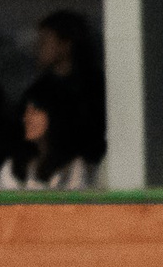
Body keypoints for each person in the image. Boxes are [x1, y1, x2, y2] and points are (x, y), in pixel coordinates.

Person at [26, 10, 106, 162]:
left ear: (65, 45)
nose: (37, 48)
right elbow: (36, 138)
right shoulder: (38, 92)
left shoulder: (97, 86)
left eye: (44, 41)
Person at [0, 86, 96, 189]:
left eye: (35, 111)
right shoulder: (12, 165)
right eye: (25, 111)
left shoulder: (73, 167)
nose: (26, 118)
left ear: (55, 116)